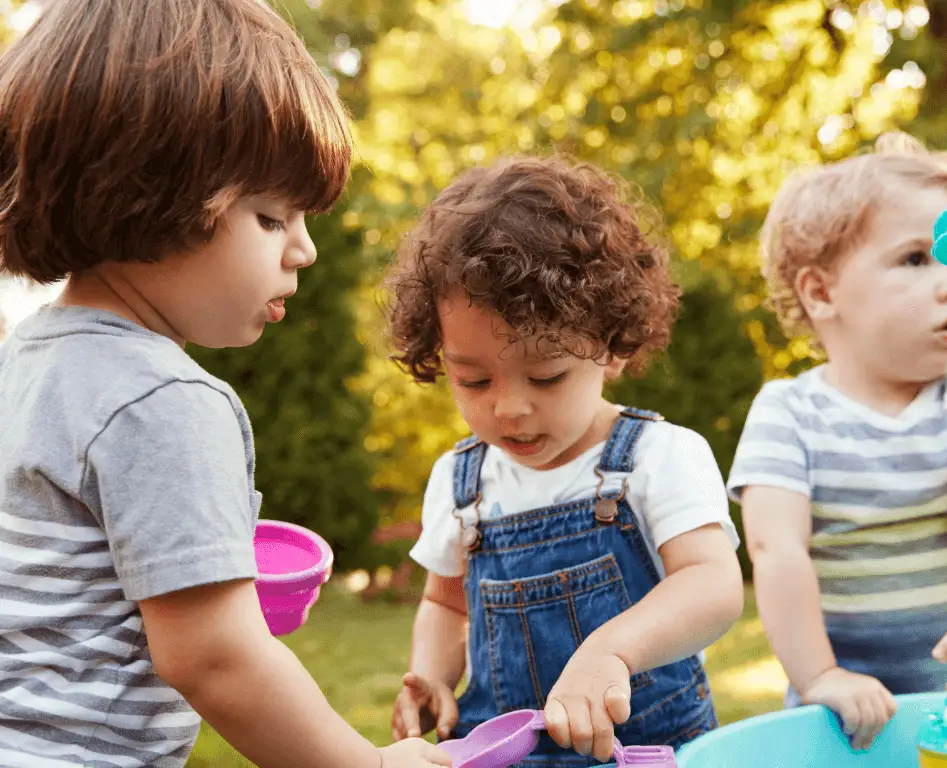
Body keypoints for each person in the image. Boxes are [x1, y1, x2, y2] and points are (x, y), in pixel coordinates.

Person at [0, 2, 449, 767]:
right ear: (150, 192)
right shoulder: (165, 401)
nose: (304, 249)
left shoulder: (23, 363)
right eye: (271, 216)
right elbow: (215, 658)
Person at [384, 156, 745, 766]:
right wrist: (431, 675)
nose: (510, 408)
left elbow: (712, 585)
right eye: (472, 381)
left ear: (611, 346)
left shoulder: (660, 456)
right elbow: (447, 603)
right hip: (504, 752)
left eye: (547, 376)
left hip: (645, 749)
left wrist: (614, 650)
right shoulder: (460, 480)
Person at [726, 133, 947, 751]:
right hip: (839, 710)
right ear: (822, 293)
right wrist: (820, 675)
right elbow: (775, 547)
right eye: (917, 259)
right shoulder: (789, 411)